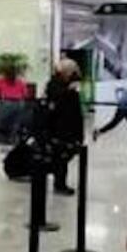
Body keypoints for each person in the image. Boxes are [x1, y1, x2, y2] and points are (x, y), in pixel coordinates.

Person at [43, 58, 85, 196]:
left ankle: (58, 178)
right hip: (59, 126)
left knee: (66, 155)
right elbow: (56, 99)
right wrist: (69, 90)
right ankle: (59, 183)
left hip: (70, 124)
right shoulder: (54, 84)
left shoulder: (68, 83)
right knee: (61, 156)